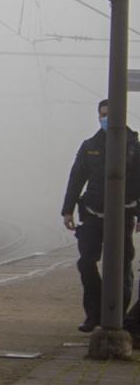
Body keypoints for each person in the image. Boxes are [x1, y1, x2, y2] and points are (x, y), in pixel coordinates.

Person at [61, 98, 140, 332]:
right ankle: (94, 313)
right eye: (102, 114)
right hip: (93, 214)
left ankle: (117, 316)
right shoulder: (90, 146)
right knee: (86, 262)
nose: (106, 118)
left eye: (109, 114)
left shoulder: (134, 146)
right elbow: (76, 178)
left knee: (122, 266)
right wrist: (67, 210)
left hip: (123, 215)